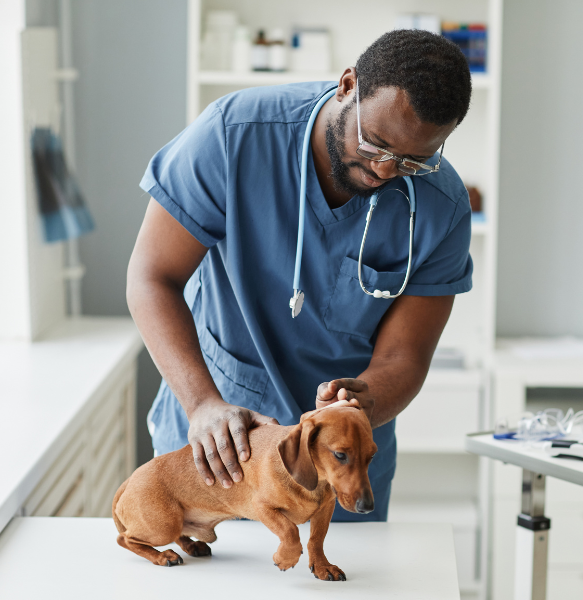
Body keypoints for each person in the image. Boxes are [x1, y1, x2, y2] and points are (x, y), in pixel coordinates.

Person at [126, 29, 473, 522]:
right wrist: (202, 403)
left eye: (413, 160)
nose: (384, 170)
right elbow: (151, 276)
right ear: (347, 86)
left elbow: (405, 356)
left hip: (342, 458)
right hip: (223, 440)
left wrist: (359, 406)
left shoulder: (442, 207)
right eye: (375, 143)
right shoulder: (234, 135)